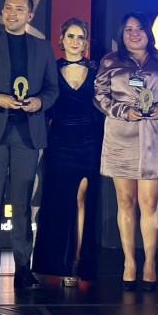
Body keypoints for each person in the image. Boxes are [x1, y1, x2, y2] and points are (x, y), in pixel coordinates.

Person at [0, 0, 59, 293]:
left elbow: (52, 89)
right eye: (8, 8)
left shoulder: (42, 48)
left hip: (28, 135)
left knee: (21, 206)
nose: (12, 13)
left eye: (19, 9)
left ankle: (23, 268)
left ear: (29, 15)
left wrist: (39, 102)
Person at [93, 11, 158, 292]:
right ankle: (129, 263)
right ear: (122, 34)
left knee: (150, 204)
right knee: (125, 201)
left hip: (153, 139)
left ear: (148, 32)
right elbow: (100, 96)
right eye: (128, 29)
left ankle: (150, 264)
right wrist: (124, 111)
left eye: (139, 28)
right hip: (121, 137)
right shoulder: (110, 61)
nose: (134, 33)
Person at [32, 18, 102, 286]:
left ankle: (77, 262)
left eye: (80, 37)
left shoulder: (97, 70)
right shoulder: (50, 69)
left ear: (86, 43)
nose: (75, 41)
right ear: (61, 40)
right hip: (59, 141)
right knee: (60, 200)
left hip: (88, 141)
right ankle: (58, 263)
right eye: (70, 36)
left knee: (82, 198)